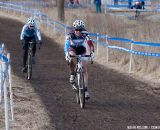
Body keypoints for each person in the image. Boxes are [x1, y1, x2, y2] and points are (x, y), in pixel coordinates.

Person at [64, 20, 95, 99]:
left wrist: (92, 52)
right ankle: (72, 74)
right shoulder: (70, 35)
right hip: (73, 49)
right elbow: (67, 45)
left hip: (82, 49)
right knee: (71, 58)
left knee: (84, 69)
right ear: (74, 29)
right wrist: (67, 54)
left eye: (80, 30)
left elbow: (90, 43)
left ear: (82, 29)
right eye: (76, 29)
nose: (78, 31)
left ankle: (86, 90)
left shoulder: (85, 34)